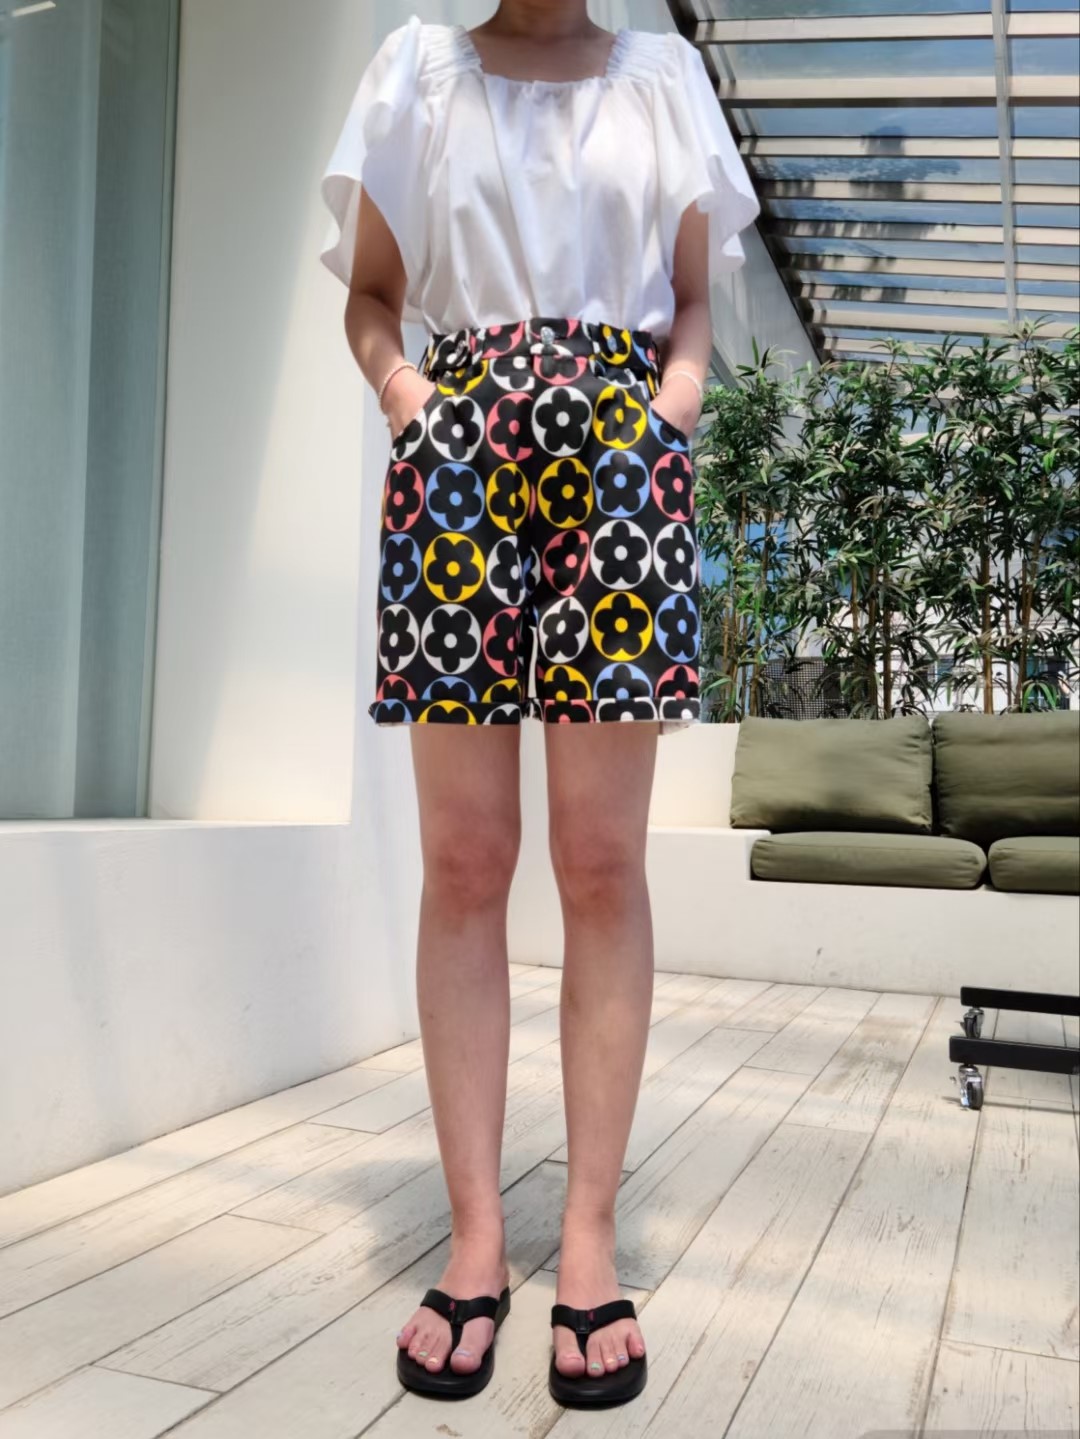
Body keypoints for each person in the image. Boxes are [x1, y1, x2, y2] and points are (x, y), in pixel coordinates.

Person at [318, 1, 760, 1408]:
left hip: (621, 460)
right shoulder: (418, 70)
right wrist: (411, 401)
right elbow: (370, 296)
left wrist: (666, 416)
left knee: (600, 859)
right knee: (465, 859)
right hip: (459, 454)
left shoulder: (664, 77)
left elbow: (693, 299)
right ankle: (471, 1240)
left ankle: (587, 1238)